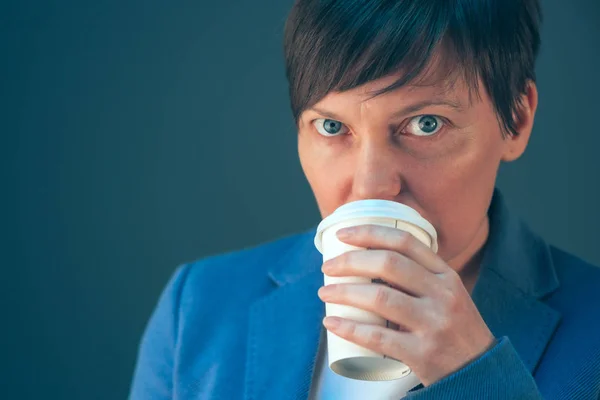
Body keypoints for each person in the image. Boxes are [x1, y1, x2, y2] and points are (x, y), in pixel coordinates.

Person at [129, 0, 600, 399]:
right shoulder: (199, 307)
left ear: (515, 121)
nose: (371, 186)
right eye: (332, 127)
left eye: (426, 124)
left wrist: (476, 377)